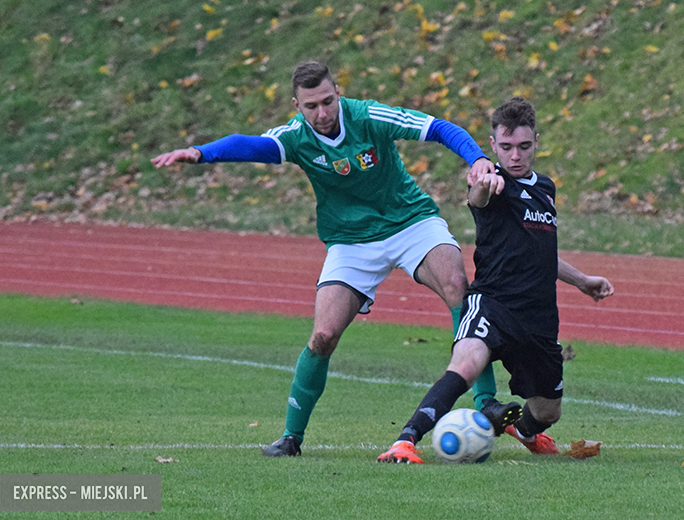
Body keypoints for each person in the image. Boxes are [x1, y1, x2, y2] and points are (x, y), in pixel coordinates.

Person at [151, 60, 510, 457]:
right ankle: (291, 437)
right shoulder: (296, 136)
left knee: (459, 287)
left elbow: (440, 128)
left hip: (410, 222)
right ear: (297, 105)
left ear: (338, 93)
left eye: (328, 101)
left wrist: (478, 158)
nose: (322, 113)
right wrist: (201, 153)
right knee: (322, 336)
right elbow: (250, 144)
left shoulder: (369, 116)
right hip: (350, 242)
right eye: (311, 106)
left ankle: (485, 402)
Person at [377, 96, 614, 464]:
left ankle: (521, 430)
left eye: (523, 146)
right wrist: (484, 181)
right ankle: (405, 441)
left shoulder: (545, 189)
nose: (514, 156)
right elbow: (478, 196)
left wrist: (581, 280)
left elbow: (540, 252)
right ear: (493, 146)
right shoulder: (491, 181)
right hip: (493, 303)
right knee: (466, 363)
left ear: (536, 141)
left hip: (538, 318)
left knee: (548, 412)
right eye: (505, 148)